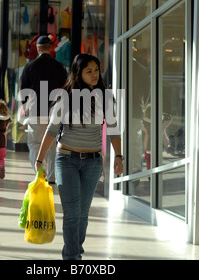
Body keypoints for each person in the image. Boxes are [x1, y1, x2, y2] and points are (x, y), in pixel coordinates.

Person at [34, 53, 124, 260]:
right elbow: (51, 130)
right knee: (73, 212)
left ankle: (75, 247)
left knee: (83, 213)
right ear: (78, 73)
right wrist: (39, 160)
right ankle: (72, 257)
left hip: (93, 162)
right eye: (88, 71)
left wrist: (119, 155)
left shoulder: (106, 97)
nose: (94, 74)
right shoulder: (65, 98)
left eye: (96, 70)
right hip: (67, 160)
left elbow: (113, 129)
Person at [20, 35, 68, 184]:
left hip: (35, 111)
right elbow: (65, 89)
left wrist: (24, 106)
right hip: (54, 111)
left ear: (38, 48)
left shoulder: (30, 66)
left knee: (35, 143)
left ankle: (40, 173)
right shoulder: (59, 67)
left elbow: (24, 89)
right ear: (51, 48)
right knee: (52, 144)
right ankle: (52, 177)